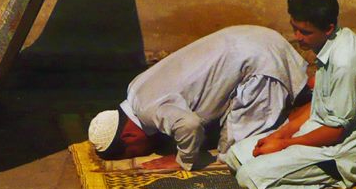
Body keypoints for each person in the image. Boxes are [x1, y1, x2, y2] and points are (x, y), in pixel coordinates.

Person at [220, 0, 356, 189]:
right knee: (235, 156)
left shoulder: (345, 62)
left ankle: (334, 178)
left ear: (328, 28)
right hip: (314, 133)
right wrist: (279, 135)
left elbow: (335, 132)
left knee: (248, 177)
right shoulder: (329, 45)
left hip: (336, 153)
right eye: (295, 28)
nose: (297, 37)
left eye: (305, 32)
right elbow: (318, 106)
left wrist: (284, 144)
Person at [87, 25, 309, 171]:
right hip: (256, 37)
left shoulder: (148, 111)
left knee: (237, 155)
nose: (144, 152)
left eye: (133, 152)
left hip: (258, 61)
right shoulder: (134, 89)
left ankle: (308, 126)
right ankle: (304, 104)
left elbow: (189, 125)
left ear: (128, 136)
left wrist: (182, 160)